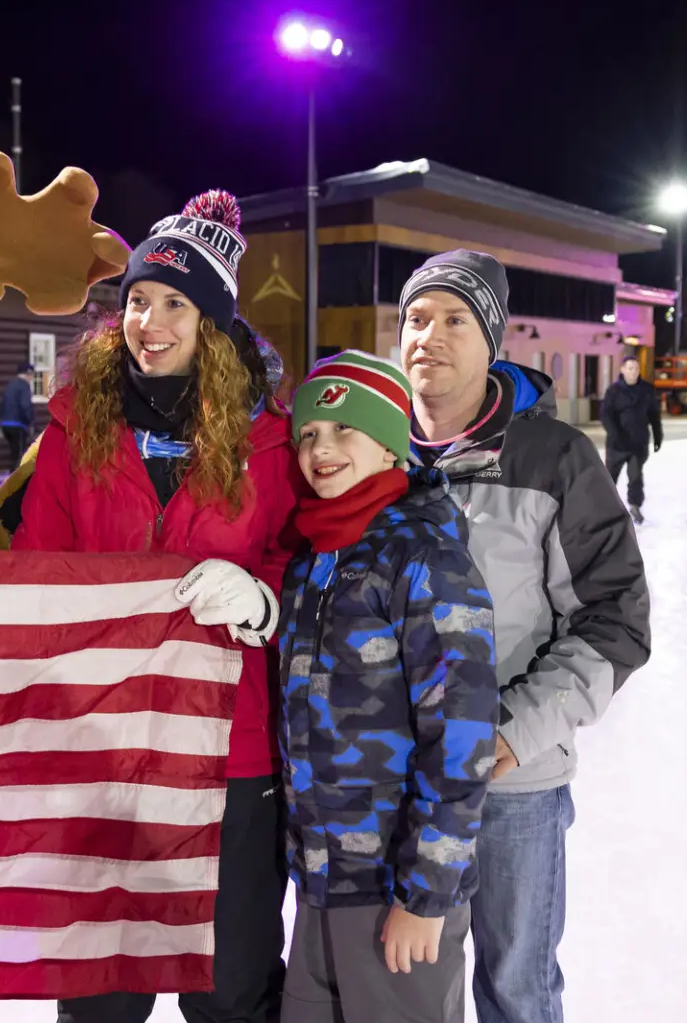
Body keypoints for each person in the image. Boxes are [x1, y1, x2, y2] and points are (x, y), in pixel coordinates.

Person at [14, 189, 299, 1023]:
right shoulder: (78, 427)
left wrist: (262, 597)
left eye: (176, 302)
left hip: (230, 751)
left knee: (231, 988)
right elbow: (37, 568)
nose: (150, 320)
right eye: (138, 299)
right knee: (102, 990)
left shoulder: (271, 435)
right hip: (106, 744)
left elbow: (303, 562)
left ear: (212, 321)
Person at [187, 351, 497, 1023]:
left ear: (389, 443)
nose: (320, 449)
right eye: (308, 434)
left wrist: (424, 896)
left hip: (395, 891)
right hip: (324, 884)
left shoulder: (422, 556)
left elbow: (463, 740)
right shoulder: (315, 560)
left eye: (344, 430)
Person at [400, 250, 650, 1023]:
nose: (429, 337)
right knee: (409, 988)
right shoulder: (372, 454)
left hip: (512, 784)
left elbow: (615, 619)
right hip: (398, 779)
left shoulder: (553, 458)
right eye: (415, 318)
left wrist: (514, 731)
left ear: (493, 341)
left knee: (516, 989)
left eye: (455, 320)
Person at [599, 356, 663, 524]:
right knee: (610, 477)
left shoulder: (646, 390)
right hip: (617, 444)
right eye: (630, 368)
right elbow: (606, 414)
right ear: (622, 370)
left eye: (636, 368)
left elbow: (654, 414)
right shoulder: (614, 390)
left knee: (635, 477)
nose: (633, 371)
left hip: (638, 443)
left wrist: (658, 435)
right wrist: (614, 433)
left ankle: (635, 505)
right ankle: (604, 508)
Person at [0, 360, 36, 470]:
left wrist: (1, 423)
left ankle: (13, 479)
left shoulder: (10, 385)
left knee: (14, 453)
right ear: (28, 374)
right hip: (18, 425)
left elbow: (2, 404)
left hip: (6, 425)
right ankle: (16, 482)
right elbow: (25, 406)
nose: (32, 378)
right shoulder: (24, 386)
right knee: (20, 455)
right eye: (32, 375)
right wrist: (31, 422)